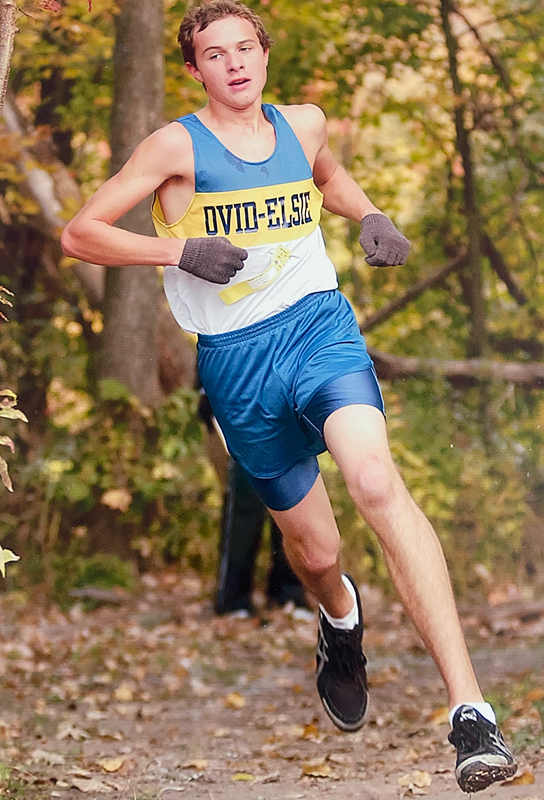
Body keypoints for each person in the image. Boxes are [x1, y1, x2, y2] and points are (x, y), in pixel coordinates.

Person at [60, 1, 517, 791]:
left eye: (246, 47)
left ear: (264, 57)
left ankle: (470, 715)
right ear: (196, 68)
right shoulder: (177, 145)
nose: (234, 62)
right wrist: (178, 249)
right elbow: (80, 232)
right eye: (215, 52)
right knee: (317, 554)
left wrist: (370, 213)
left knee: (376, 480)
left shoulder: (304, 123)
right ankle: (340, 618)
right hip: (236, 364)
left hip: (318, 328)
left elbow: (329, 175)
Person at [197, 385, 309, 616]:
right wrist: (206, 390)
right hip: (245, 410)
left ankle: (288, 595)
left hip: (290, 412)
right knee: (245, 509)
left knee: (293, 506)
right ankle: (233, 599)